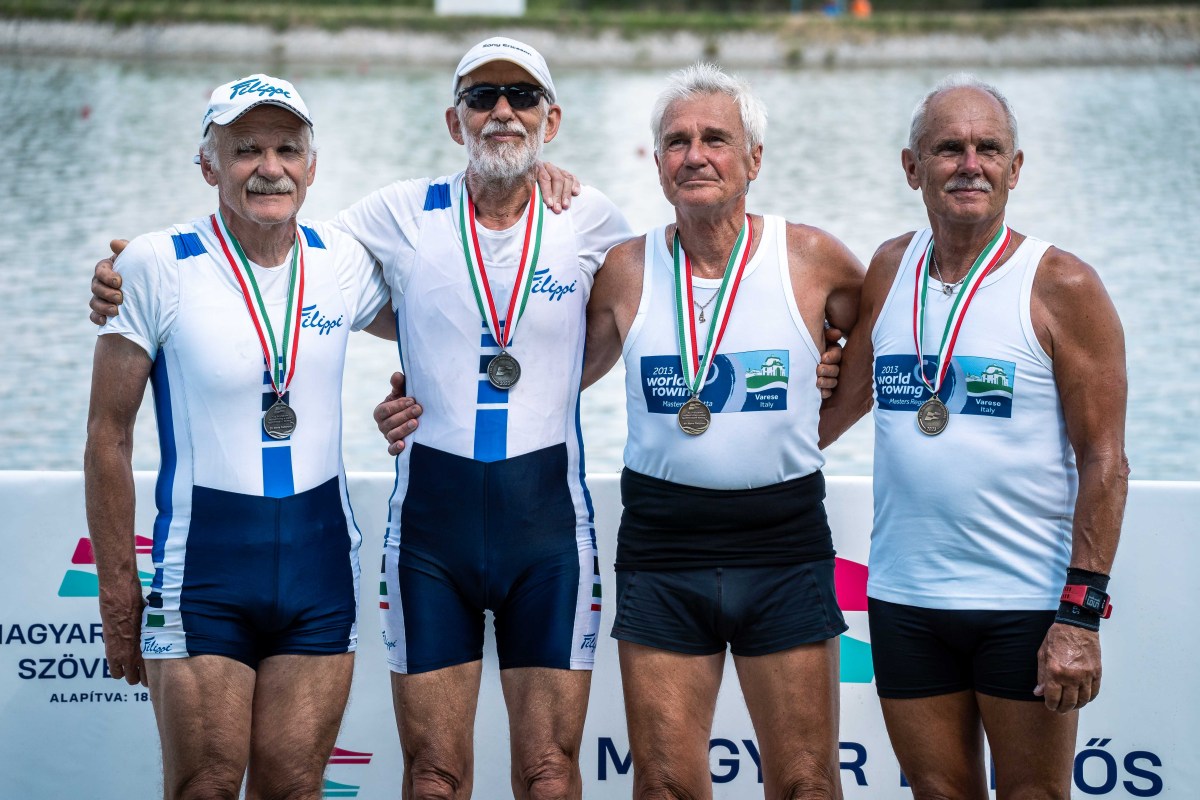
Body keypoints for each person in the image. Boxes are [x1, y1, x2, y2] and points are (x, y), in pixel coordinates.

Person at [90, 38, 629, 800]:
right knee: (235, 784)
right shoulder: (369, 222)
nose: (269, 167)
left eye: (522, 97)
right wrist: (121, 278)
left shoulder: (585, 218)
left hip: (473, 540)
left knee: (538, 776)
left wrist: (469, 386)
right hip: (248, 554)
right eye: (483, 98)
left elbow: (608, 317)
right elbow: (113, 430)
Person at [819, 74, 1129, 799]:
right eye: (948, 148)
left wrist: (1080, 615)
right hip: (906, 598)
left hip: (1024, 600)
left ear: (1015, 168)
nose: (970, 165)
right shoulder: (890, 267)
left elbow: (1106, 460)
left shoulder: (1062, 285)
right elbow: (838, 409)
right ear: (912, 167)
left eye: (989, 149)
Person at [84, 74, 393, 799]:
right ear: (209, 166)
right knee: (206, 787)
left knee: (294, 789)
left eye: (287, 149)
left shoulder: (343, 261)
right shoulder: (153, 265)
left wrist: (539, 179)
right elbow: (107, 437)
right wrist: (117, 588)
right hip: (205, 570)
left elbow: (454, 316)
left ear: (312, 167)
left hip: (320, 566)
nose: (269, 167)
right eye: (246, 149)